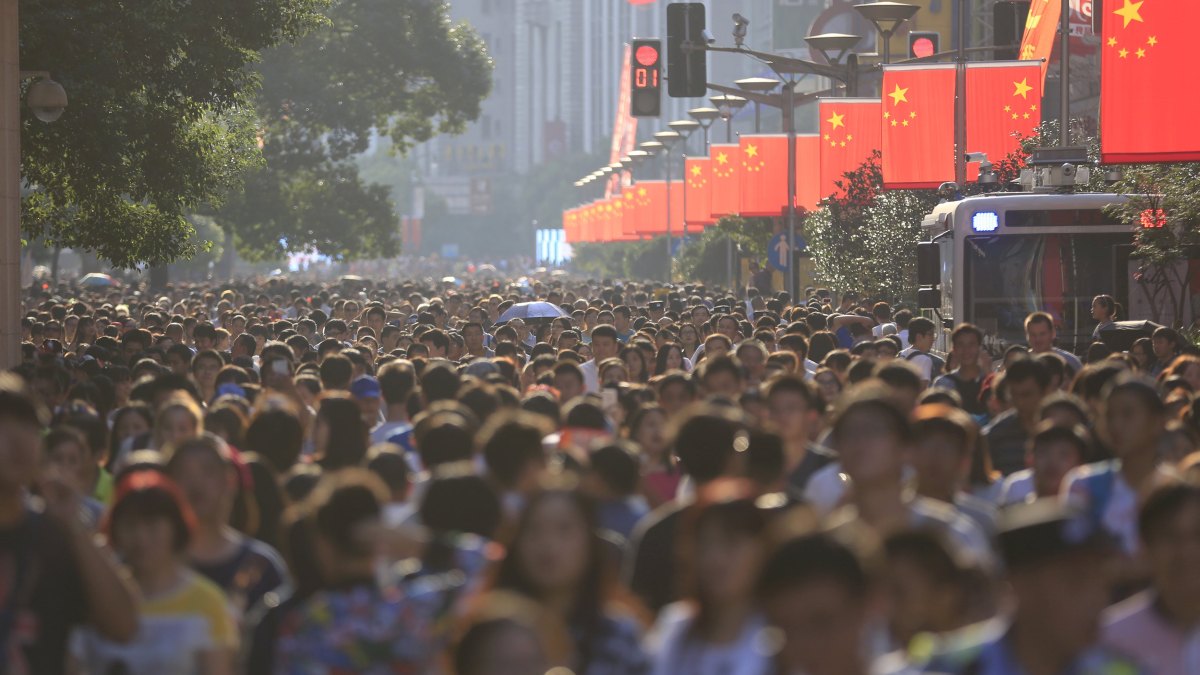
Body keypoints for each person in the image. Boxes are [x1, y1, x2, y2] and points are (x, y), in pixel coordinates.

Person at [0, 375, 138, 675]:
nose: (18, 440)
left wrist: (74, 525)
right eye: (3, 427)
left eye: (28, 426)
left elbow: (123, 625)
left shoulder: (56, 535)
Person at [916, 500, 1143, 674]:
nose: (1097, 598)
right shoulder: (948, 668)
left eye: (1102, 579)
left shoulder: (1119, 670)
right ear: (1020, 584)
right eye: (1076, 579)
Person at [71, 470, 236, 674]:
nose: (141, 537)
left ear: (175, 528)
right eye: (130, 525)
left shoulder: (208, 603)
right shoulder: (97, 596)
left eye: (152, 525)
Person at [492, 486, 649, 674]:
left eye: (564, 529)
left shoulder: (618, 635)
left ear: (590, 541)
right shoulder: (492, 634)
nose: (548, 543)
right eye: (533, 529)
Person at [646, 481, 774, 675]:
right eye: (705, 544)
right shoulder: (675, 628)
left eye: (731, 543)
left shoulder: (780, 635)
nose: (716, 558)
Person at [166, 434, 287, 615]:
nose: (196, 482)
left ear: (230, 480)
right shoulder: (154, 564)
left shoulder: (261, 565)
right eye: (184, 474)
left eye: (207, 471)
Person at [1064, 376, 1177, 556]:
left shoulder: (1179, 490)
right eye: (1109, 415)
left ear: (1158, 422)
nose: (1116, 425)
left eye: (1127, 414)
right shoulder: (1084, 485)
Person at [1101, 480, 1200, 675]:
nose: (1186, 551)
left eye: (1198, 534)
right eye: (1169, 536)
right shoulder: (1109, 642)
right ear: (1144, 547)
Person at [982, 358, 1050, 476]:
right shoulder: (995, 435)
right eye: (1014, 395)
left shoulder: (1061, 429)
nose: (1020, 402)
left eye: (1027, 395)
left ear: (1045, 392)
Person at [933, 324, 987, 418]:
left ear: (979, 347)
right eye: (960, 344)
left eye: (971, 344)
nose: (966, 350)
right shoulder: (943, 383)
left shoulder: (991, 382)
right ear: (954, 349)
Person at [899, 317, 943, 387]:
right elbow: (923, 389)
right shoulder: (924, 359)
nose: (933, 339)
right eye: (930, 334)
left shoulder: (901, 354)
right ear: (919, 336)